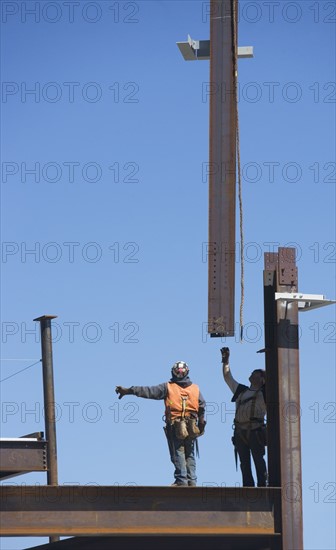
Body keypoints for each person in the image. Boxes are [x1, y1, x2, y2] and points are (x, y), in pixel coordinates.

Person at [115, 361, 206, 487]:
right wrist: (201, 424)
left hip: (176, 425)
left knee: (178, 452)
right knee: (190, 454)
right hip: (192, 426)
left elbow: (148, 391)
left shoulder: (168, 387)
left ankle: (181, 481)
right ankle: (192, 481)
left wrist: (129, 391)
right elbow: (202, 406)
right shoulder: (195, 389)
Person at [220, 347, 267, 487]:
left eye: (255, 373)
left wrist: (271, 353)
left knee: (258, 460)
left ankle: (263, 485)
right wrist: (225, 361)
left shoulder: (265, 393)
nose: (251, 374)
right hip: (240, 432)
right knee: (244, 463)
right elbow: (227, 377)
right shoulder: (241, 391)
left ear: (262, 379)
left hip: (256, 431)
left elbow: (277, 377)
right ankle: (248, 487)